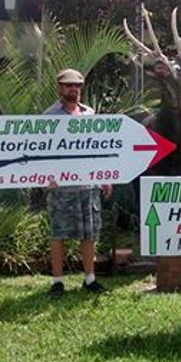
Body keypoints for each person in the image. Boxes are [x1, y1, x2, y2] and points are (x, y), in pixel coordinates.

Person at [43, 69, 112, 299]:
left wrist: (104, 176)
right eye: (69, 85)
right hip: (61, 187)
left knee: (89, 234)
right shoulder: (49, 117)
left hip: (88, 186)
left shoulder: (90, 114)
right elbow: (41, 152)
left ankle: (89, 279)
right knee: (58, 234)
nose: (74, 89)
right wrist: (46, 176)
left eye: (78, 85)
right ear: (59, 88)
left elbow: (96, 149)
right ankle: (57, 282)